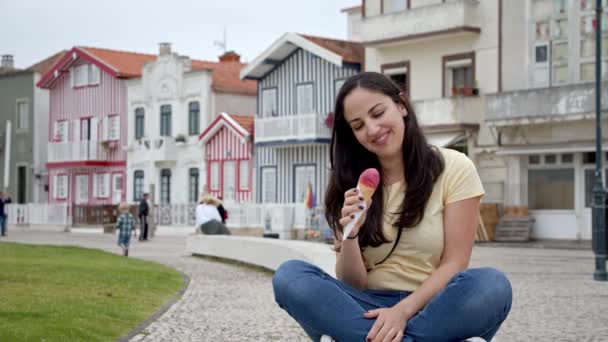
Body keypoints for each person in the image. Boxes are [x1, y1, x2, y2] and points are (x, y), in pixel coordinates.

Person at [272, 72, 512, 342]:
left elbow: (455, 262)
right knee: (289, 276)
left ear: (401, 105)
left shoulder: (454, 167)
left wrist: (401, 312)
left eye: (378, 113)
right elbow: (352, 285)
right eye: (358, 125)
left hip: (433, 308)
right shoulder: (350, 184)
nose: (372, 129)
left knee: (492, 285)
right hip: (363, 308)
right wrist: (351, 233)